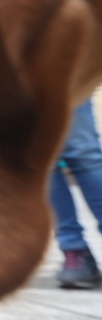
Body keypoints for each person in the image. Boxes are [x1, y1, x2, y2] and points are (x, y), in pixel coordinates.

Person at [50, 98, 102, 289]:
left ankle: (75, 251)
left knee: (83, 153)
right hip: (9, 77)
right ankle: (75, 252)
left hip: (62, 72)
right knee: (43, 161)